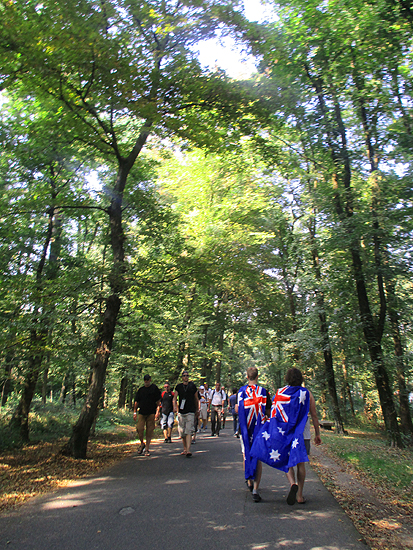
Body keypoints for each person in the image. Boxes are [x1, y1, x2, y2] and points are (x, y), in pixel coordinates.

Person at [250, 367, 321, 505]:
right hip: (302, 434)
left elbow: (275, 414)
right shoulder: (306, 393)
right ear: (301, 378)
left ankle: (292, 483)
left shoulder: (280, 392)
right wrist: (317, 434)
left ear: (287, 378)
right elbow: (314, 415)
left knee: (286, 460)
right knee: (301, 463)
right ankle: (300, 495)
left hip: (284, 434)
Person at [236, 367, 271, 502]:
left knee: (246, 453)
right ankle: (255, 489)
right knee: (258, 456)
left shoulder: (241, 391)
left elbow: (238, 408)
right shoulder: (263, 392)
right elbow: (268, 411)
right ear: (257, 376)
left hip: (245, 429)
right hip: (259, 428)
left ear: (247, 376)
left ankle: (249, 481)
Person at [133, 374, 161, 456]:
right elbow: (136, 401)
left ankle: (147, 449)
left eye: (148, 380)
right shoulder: (141, 390)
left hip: (151, 412)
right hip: (142, 412)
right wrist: (134, 412)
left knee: (149, 430)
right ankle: (142, 443)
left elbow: (158, 401)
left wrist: (157, 412)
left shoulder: (154, 388)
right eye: (145, 380)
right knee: (139, 428)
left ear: (150, 380)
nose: (146, 381)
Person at [173, 370, 199, 457]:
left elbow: (196, 399)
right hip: (181, 412)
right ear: (182, 377)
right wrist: (175, 407)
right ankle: (185, 448)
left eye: (187, 375)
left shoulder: (192, 386)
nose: (186, 377)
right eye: (184, 375)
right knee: (182, 432)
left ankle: (188, 450)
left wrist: (197, 410)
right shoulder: (179, 387)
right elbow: (175, 397)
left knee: (188, 430)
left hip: (190, 411)